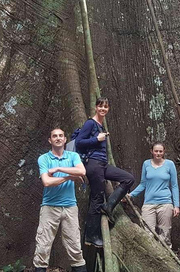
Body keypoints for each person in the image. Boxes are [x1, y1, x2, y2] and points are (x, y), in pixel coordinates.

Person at [75, 97, 135, 248]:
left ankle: (108, 206)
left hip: (103, 164)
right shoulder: (90, 123)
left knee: (128, 179)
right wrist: (96, 139)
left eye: (106, 107)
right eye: (100, 106)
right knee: (96, 197)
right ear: (96, 107)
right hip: (93, 164)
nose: (103, 109)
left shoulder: (101, 126)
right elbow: (79, 143)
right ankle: (91, 236)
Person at [33, 128, 87, 272]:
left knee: (75, 247)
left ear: (65, 140)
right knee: (42, 248)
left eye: (61, 136)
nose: (58, 138)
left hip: (70, 207)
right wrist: (69, 177)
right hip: (49, 207)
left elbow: (82, 171)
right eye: (54, 136)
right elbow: (47, 182)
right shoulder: (43, 158)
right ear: (50, 140)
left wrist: (58, 169)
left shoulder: (73, 156)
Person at [128, 142, 180, 247]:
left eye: (160, 151)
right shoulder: (146, 164)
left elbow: (174, 186)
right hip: (149, 203)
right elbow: (143, 184)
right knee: (147, 233)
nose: (158, 153)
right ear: (151, 151)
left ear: (164, 152)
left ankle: (166, 258)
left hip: (165, 203)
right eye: (156, 151)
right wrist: (131, 195)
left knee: (165, 234)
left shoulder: (169, 164)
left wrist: (176, 205)